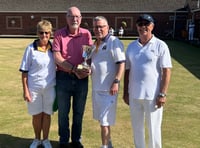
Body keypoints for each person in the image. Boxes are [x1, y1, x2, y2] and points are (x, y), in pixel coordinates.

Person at [123, 14, 172, 148]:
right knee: (137, 129)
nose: (143, 27)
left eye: (146, 24)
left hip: (153, 96)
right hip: (134, 95)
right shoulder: (132, 46)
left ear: (152, 26)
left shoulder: (161, 45)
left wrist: (162, 94)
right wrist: (125, 93)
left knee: (154, 129)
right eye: (140, 24)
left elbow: (167, 71)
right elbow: (127, 70)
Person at [52, 6, 93, 148]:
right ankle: (63, 140)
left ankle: (76, 140)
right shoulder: (59, 34)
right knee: (63, 112)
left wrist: (85, 69)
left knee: (78, 112)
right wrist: (74, 69)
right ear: (66, 18)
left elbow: (87, 57)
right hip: (63, 77)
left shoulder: (86, 34)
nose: (74, 19)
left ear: (81, 19)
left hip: (81, 80)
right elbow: (57, 57)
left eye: (77, 16)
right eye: (71, 16)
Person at [19, 20, 56, 148]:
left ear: (51, 33)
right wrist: (26, 91)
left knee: (47, 115)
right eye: (41, 33)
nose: (44, 36)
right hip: (34, 88)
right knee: (36, 116)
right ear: (37, 33)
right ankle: (36, 139)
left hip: (50, 88)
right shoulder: (30, 49)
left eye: (47, 33)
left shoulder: (54, 49)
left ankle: (45, 139)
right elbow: (24, 72)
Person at [91, 16, 125, 148]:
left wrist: (116, 81)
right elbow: (87, 63)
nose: (98, 29)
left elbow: (121, 63)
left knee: (104, 122)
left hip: (108, 90)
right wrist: (86, 69)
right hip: (96, 89)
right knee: (101, 120)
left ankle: (104, 146)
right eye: (96, 27)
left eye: (101, 27)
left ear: (108, 28)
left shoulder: (114, 41)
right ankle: (109, 143)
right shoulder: (94, 44)